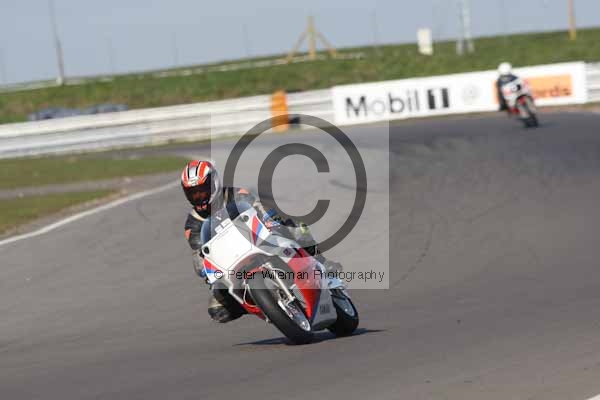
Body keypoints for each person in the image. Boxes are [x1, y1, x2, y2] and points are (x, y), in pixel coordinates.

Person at [181, 160, 341, 323]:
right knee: (217, 308)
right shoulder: (192, 224)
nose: (198, 196)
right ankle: (264, 305)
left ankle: (321, 261)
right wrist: (205, 269)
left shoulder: (235, 193)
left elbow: (258, 206)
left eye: (202, 191)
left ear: (213, 183)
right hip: (231, 260)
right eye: (193, 193)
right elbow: (199, 253)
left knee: (295, 227)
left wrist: (270, 218)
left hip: (257, 239)